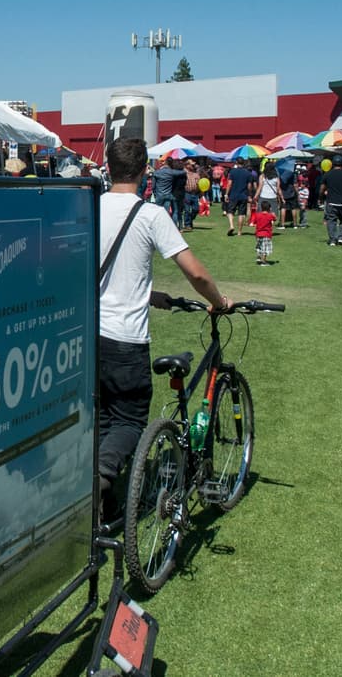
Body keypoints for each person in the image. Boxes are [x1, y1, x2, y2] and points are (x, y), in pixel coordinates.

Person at [97, 138, 231, 502]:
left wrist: (147, 293)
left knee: (104, 418)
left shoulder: (89, 208)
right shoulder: (151, 214)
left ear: (108, 167)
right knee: (128, 419)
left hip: (88, 333)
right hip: (125, 338)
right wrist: (218, 301)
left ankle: (104, 507)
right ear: (144, 171)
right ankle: (104, 477)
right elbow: (195, 273)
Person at [320, 154, 342, 247]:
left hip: (331, 202)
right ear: (341, 163)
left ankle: (332, 239)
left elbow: (322, 188)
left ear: (333, 164)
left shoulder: (327, 174)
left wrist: (320, 198)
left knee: (331, 220)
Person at [223, 158, 254, 236]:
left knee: (230, 211)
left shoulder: (232, 172)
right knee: (241, 213)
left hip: (233, 195)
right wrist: (250, 195)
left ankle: (231, 225)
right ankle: (239, 232)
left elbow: (229, 184)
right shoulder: (248, 173)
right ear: (243, 163)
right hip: (243, 196)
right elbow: (249, 186)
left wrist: (226, 194)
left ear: (236, 163)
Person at [151, 157, 180, 227]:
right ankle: (165, 226)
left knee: (157, 212)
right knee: (166, 212)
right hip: (168, 194)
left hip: (159, 194)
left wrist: (154, 192)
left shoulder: (157, 172)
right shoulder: (172, 173)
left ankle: (157, 225)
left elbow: (153, 185)